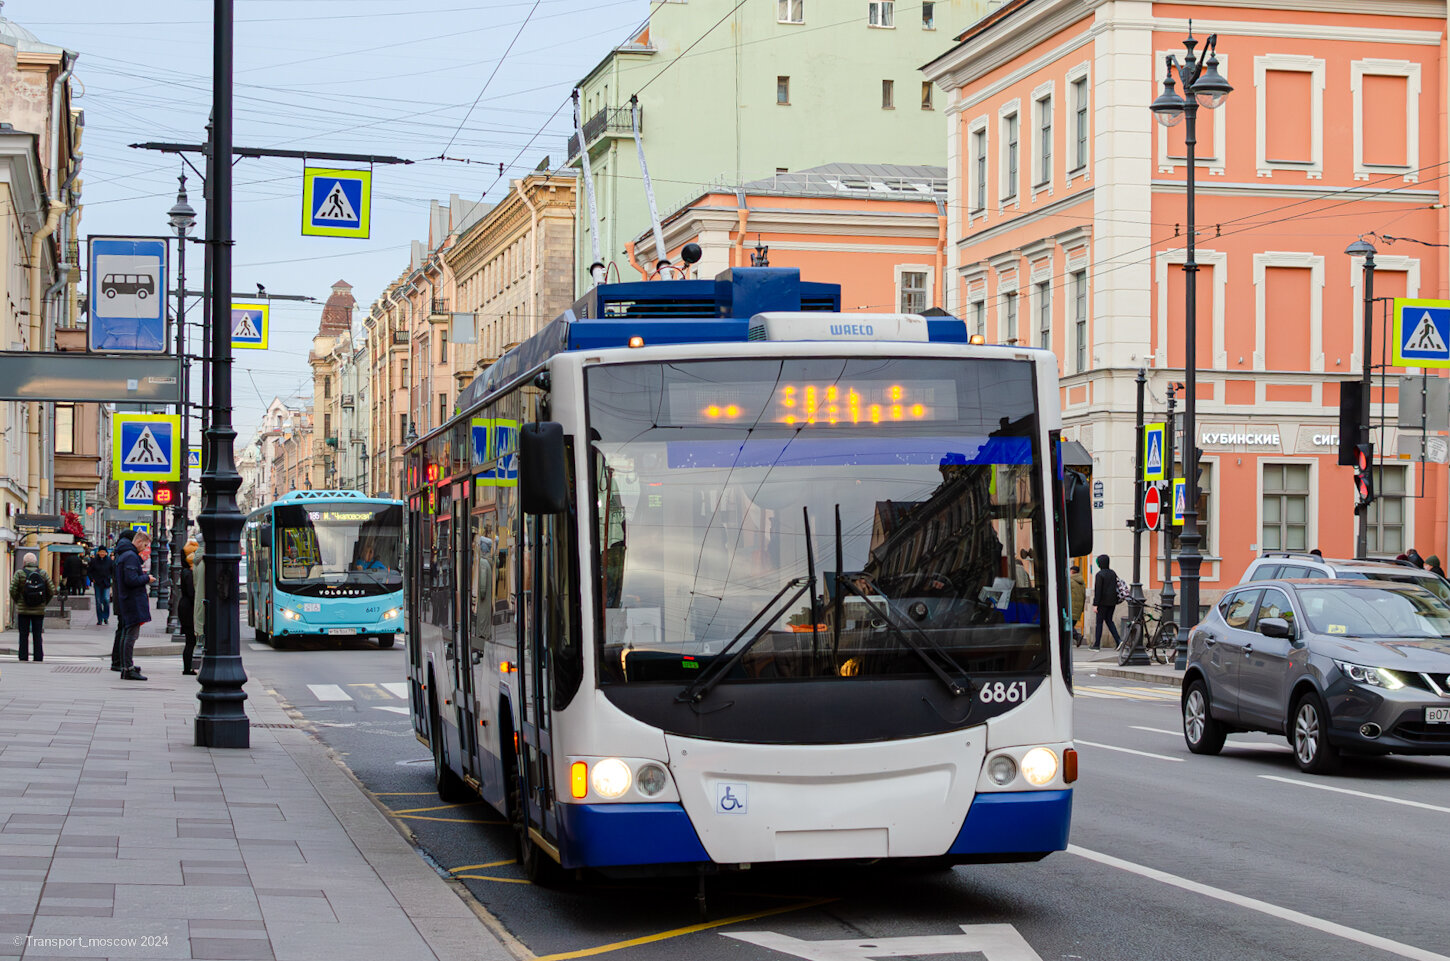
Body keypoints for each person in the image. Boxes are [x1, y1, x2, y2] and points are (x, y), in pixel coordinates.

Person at [114, 529, 155, 681]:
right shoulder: (131, 556)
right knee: (130, 636)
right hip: (132, 601)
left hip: (127, 600)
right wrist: (146, 578)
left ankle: (126, 667)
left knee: (127, 634)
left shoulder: (125, 555)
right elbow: (131, 580)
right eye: (144, 545)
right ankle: (128, 668)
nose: (144, 549)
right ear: (138, 542)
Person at [10, 552, 54, 662]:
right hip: (39, 610)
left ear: (24, 562)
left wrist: (18, 601)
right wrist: (43, 602)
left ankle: (23, 656)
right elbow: (51, 590)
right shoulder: (43, 573)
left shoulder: (19, 573)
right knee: (37, 634)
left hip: (23, 610)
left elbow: (12, 589)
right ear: (35, 562)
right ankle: (38, 656)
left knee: (23, 635)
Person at [1091, 553, 1122, 652]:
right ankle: (1118, 640)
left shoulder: (1099, 575)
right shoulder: (1113, 573)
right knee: (1109, 621)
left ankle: (1096, 645)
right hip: (1112, 602)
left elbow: (1098, 591)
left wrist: (1095, 604)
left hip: (1102, 603)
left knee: (1099, 623)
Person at [180, 539, 198, 675]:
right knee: (190, 640)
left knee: (190, 640)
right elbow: (192, 593)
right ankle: (187, 668)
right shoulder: (189, 573)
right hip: (189, 609)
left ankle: (188, 667)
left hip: (185, 607)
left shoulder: (185, 571)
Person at [88, 547, 114, 626]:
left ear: (106, 553)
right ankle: (99, 619)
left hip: (106, 583)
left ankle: (105, 617)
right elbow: (89, 571)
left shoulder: (109, 561)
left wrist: (111, 578)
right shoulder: (94, 561)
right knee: (98, 601)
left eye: (104, 552)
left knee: (106, 600)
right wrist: (92, 579)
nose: (102, 553)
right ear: (98, 552)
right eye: (101, 552)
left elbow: (113, 571)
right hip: (97, 583)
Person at [1069, 564, 1087, 647]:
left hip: (1071, 608)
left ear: (1072, 571)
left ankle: (1077, 636)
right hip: (1078, 609)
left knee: (1068, 625)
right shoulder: (1082, 582)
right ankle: (1076, 637)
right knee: (1070, 625)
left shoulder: (1070, 581)